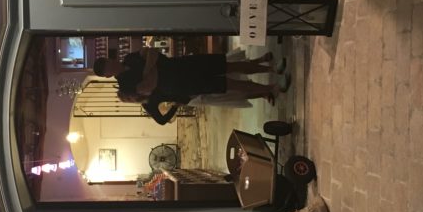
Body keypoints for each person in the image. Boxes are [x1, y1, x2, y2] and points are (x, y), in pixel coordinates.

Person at [93, 48, 290, 121]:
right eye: (108, 67)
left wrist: (148, 71)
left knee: (229, 65)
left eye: (108, 61)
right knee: (229, 84)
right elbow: (149, 86)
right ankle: (270, 88)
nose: (112, 64)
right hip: (182, 84)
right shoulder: (126, 86)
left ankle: (271, 69)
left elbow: (152, 52)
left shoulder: (129, 58)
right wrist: (151, 67)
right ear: (108, 75)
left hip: (183, 64)